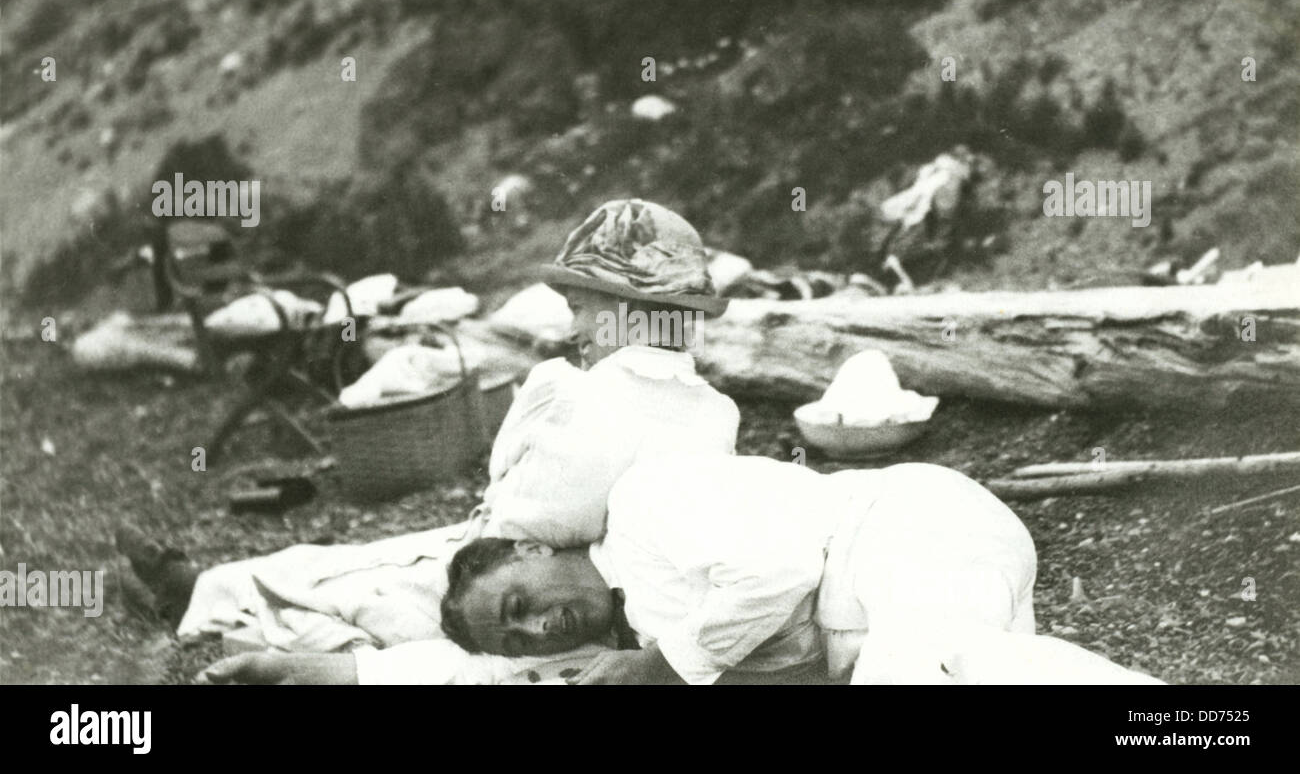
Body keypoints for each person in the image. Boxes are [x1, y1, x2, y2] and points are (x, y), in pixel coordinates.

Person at [125, 199, 741, 685]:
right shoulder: (714, 409)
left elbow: (528, 519)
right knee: (363, 567)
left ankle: (206, 596)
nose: (575, 327)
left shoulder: (599, 400)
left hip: (540, 582)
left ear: (631, 309)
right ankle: (207, 588)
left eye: (582, 307)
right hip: (570, 582)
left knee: (361, 584)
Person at [434, 454, 1162, 685]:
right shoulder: (638, 634)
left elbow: (776, 569)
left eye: (517, 605)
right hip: (887, 610)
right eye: (520, 639)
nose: (537, 625)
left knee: (930, 666)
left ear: (530, 549)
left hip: (900, 527)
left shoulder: (641, 506)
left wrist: (662, 664)